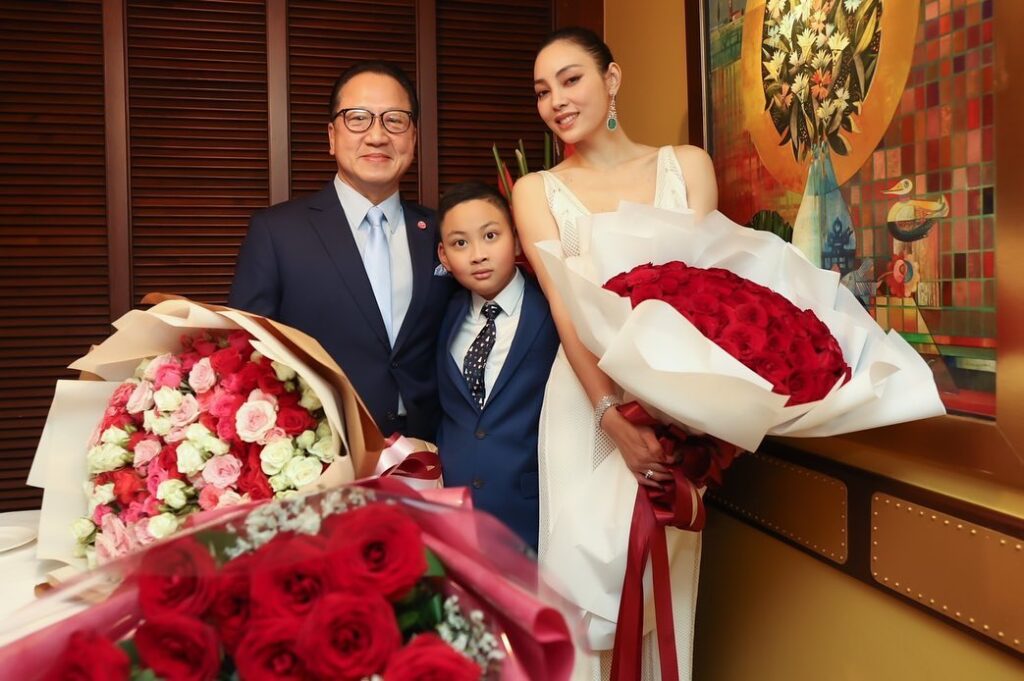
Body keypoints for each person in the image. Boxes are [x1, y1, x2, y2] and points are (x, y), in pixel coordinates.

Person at [511, 27, 719, 680]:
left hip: (677, 399)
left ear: (613, 79)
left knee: (665, 578)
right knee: (581, 590)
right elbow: (564, 308)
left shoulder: (687, 165)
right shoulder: (536, 190)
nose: (556, 101)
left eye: (570, 79)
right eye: (542, 91)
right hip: (584, 401)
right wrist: (611, 415)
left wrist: (682, 412)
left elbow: (712, 292)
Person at [229, 61, 455, 440]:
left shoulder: (441, 230)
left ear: (413, 137)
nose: (377, 136)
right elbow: (247, 353)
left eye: (394, 120)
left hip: (431, 449)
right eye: (358, 119)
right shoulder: (277, 232)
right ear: (332, 136)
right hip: (322, 449)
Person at [434, 182, 559, 551]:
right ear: (443, 255)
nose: (478, 255)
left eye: (490, 236)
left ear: (517, 240)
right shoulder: (442, 314)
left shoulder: (553, 312)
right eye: (460, 243)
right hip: (453, 518)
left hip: (532, 515)